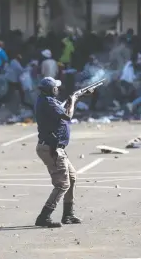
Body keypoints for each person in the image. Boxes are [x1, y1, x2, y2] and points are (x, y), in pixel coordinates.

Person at [34, 77, 87, 228]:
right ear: (52, 89)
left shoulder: (46, 100)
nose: (58, 89)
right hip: (51, 149)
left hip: (54, 148)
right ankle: (44, 217)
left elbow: (61, 110)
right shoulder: (48, 102)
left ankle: (68, 214)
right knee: (62, 184)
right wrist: (74, 100)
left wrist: (72, 99)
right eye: (56, 87)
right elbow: (68, 116)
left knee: (72, 177)